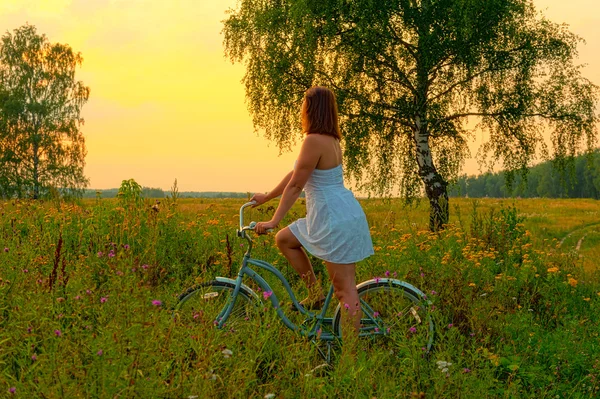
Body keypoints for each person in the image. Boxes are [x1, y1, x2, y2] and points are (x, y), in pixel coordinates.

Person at [252, 86, 374, 338]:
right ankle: (315, 294)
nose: (301, 110)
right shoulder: (330, 140)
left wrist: (274, 219)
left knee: (344, 291)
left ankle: (350, 358)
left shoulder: (313, 140)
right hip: (338, 213)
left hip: (332, 219)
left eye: (304, 105)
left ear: (311, 109)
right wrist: (268, 196)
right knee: (285, 239)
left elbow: (297, 185)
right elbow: (296, 174)